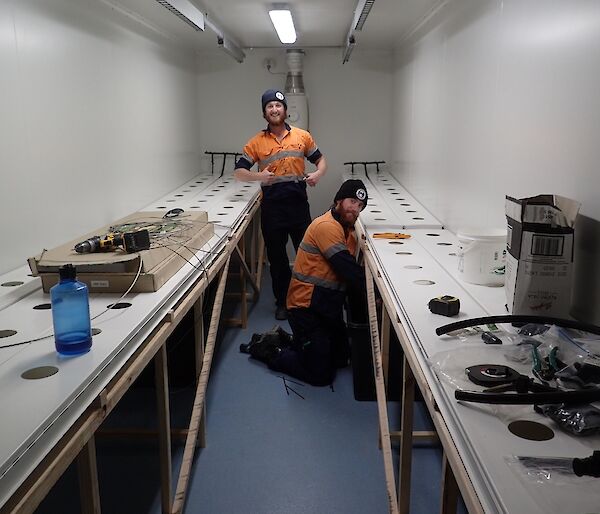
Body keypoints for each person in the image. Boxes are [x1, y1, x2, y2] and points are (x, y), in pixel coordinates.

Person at [242, 179, 368, 386]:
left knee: (341, 358)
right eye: (352, 201)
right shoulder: (327, 226)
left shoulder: (349, 231)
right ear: (339, 200)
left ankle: (289, 339)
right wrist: (376, 294)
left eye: (360, 206)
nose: (355, 209)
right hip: (305, 307)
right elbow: (347, 269)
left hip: (326, 307)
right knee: (321, 375)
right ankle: (268, 350)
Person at [234, 89, 327, 321]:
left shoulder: (302, 136)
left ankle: (308, 301)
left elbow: (321, 160)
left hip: (298, 206)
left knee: (307, 257)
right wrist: (259, 177)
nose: (274, 109)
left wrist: (318, 174)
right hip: (272, 209)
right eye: (269, 106)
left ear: (285, 110)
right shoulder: (256, 142)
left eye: (278, 105)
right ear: (264, 112)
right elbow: (239, 172)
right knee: (277, 260)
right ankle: (283, 303)